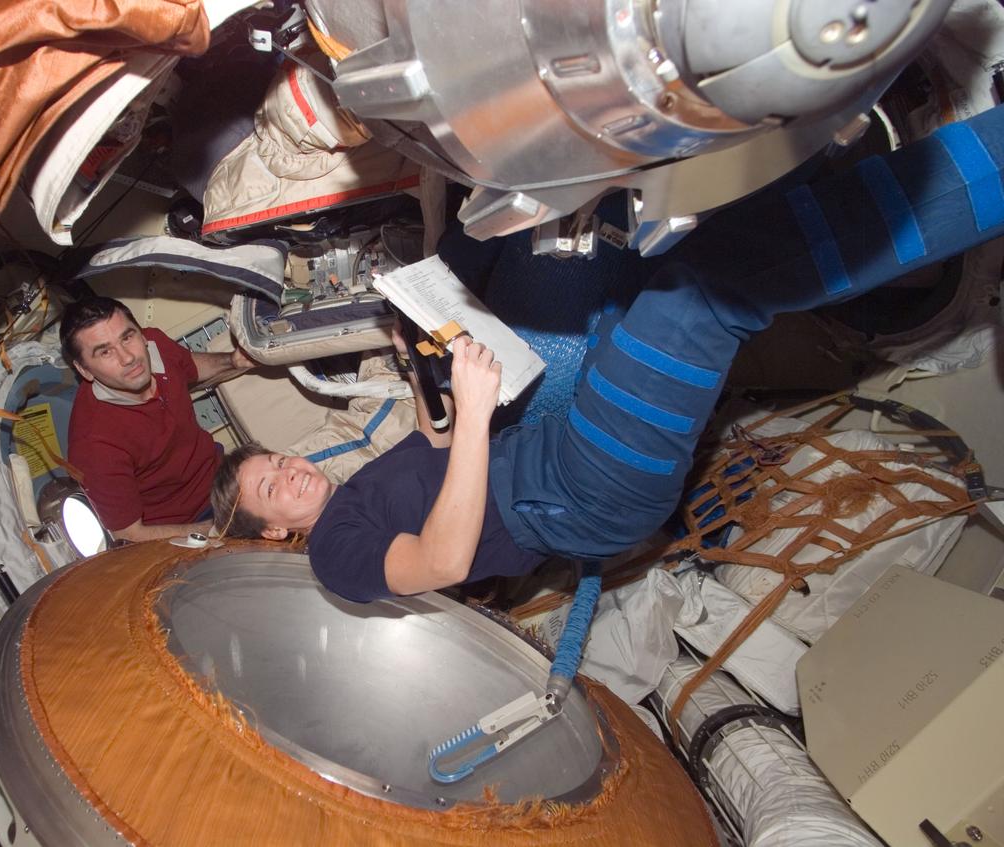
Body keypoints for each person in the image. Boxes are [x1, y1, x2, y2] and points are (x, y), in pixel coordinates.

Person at [209, 105, 1004, 602]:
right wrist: (480, 415)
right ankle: (987, 164)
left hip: (558, 460)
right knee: (702, 297)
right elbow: (447, 559)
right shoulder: (337, 561)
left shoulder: (357, 494)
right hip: (578, 492)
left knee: (682, 246)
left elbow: (437, 446)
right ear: (273, 531)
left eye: (273, 461)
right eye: (271, 488)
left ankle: (823, 133)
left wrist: (421, 352)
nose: (287, 470)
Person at [62, 297, 255, 542]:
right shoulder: (93, 444)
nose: (128, 358)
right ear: (84, 370)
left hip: (224, 477)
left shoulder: (155, 347)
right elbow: (129, 535)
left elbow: (189, 366)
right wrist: (215, 530)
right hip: (187, 524)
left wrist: (233, 361)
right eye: (105, 352)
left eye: (127, 337)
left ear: (141, 334)